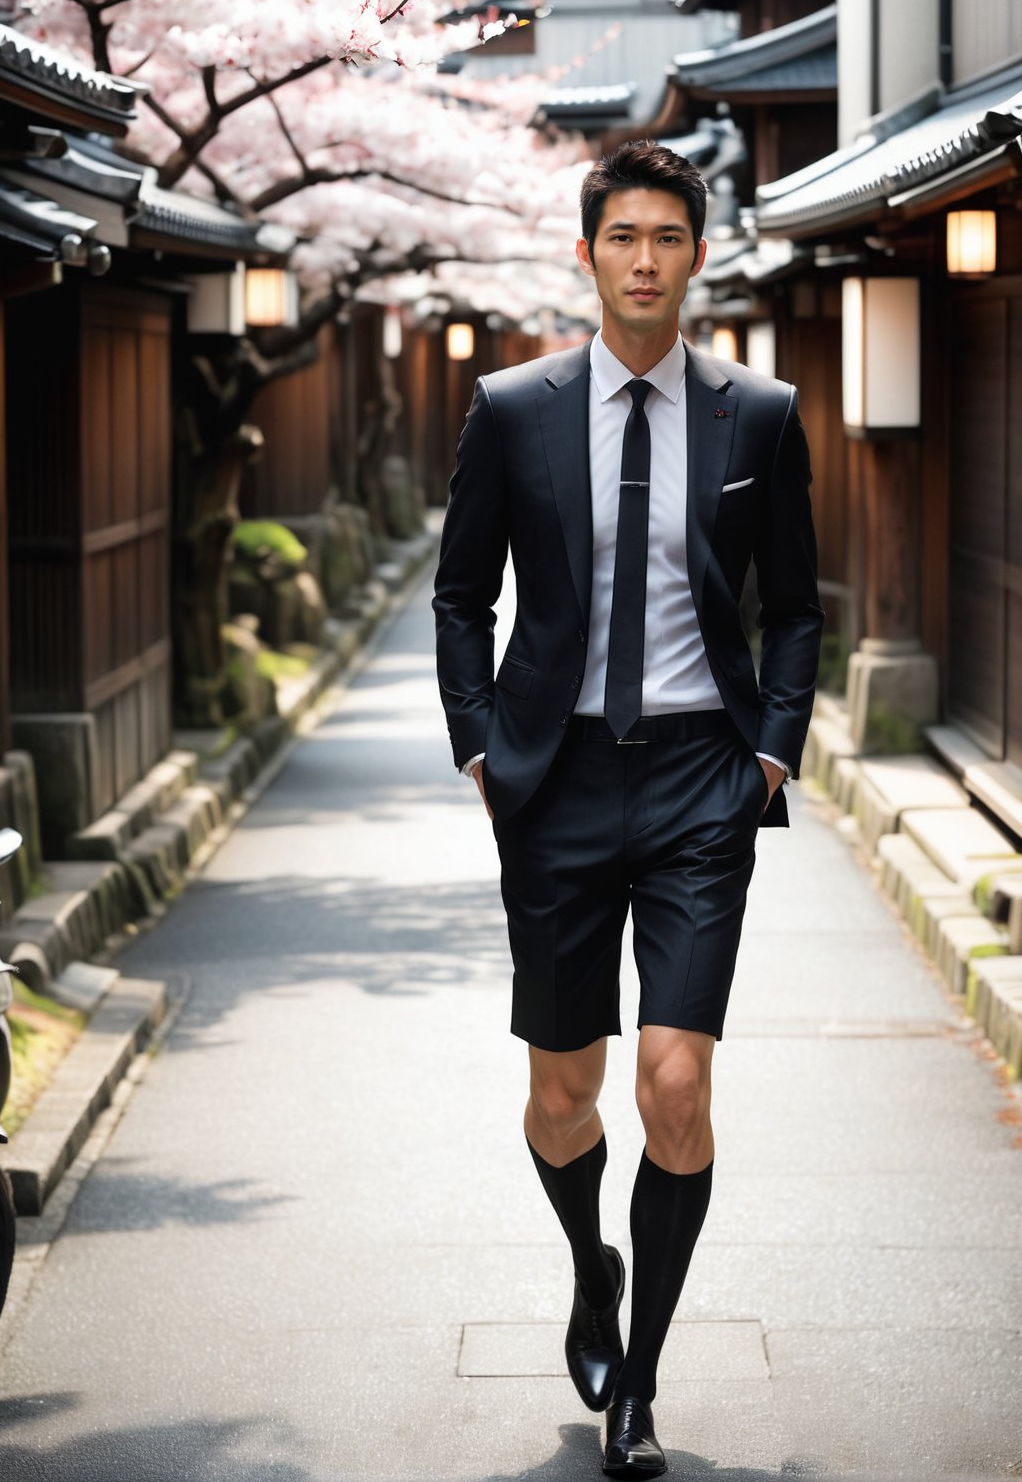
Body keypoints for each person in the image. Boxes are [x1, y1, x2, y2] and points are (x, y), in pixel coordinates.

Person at [432, 142, 822, 1479]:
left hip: (702, 780)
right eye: (623, 237)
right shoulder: (515, 407)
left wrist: (770, 753)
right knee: (563, 1091)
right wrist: (480, 745)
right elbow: (456, 592)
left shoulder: (756, 415)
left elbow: (798, 607)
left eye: (669, 237)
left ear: (698, 255)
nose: (646, 259)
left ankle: (640, 1381)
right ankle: (589, 1276)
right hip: (553, 780)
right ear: (586, 251)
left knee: (676, 1083)